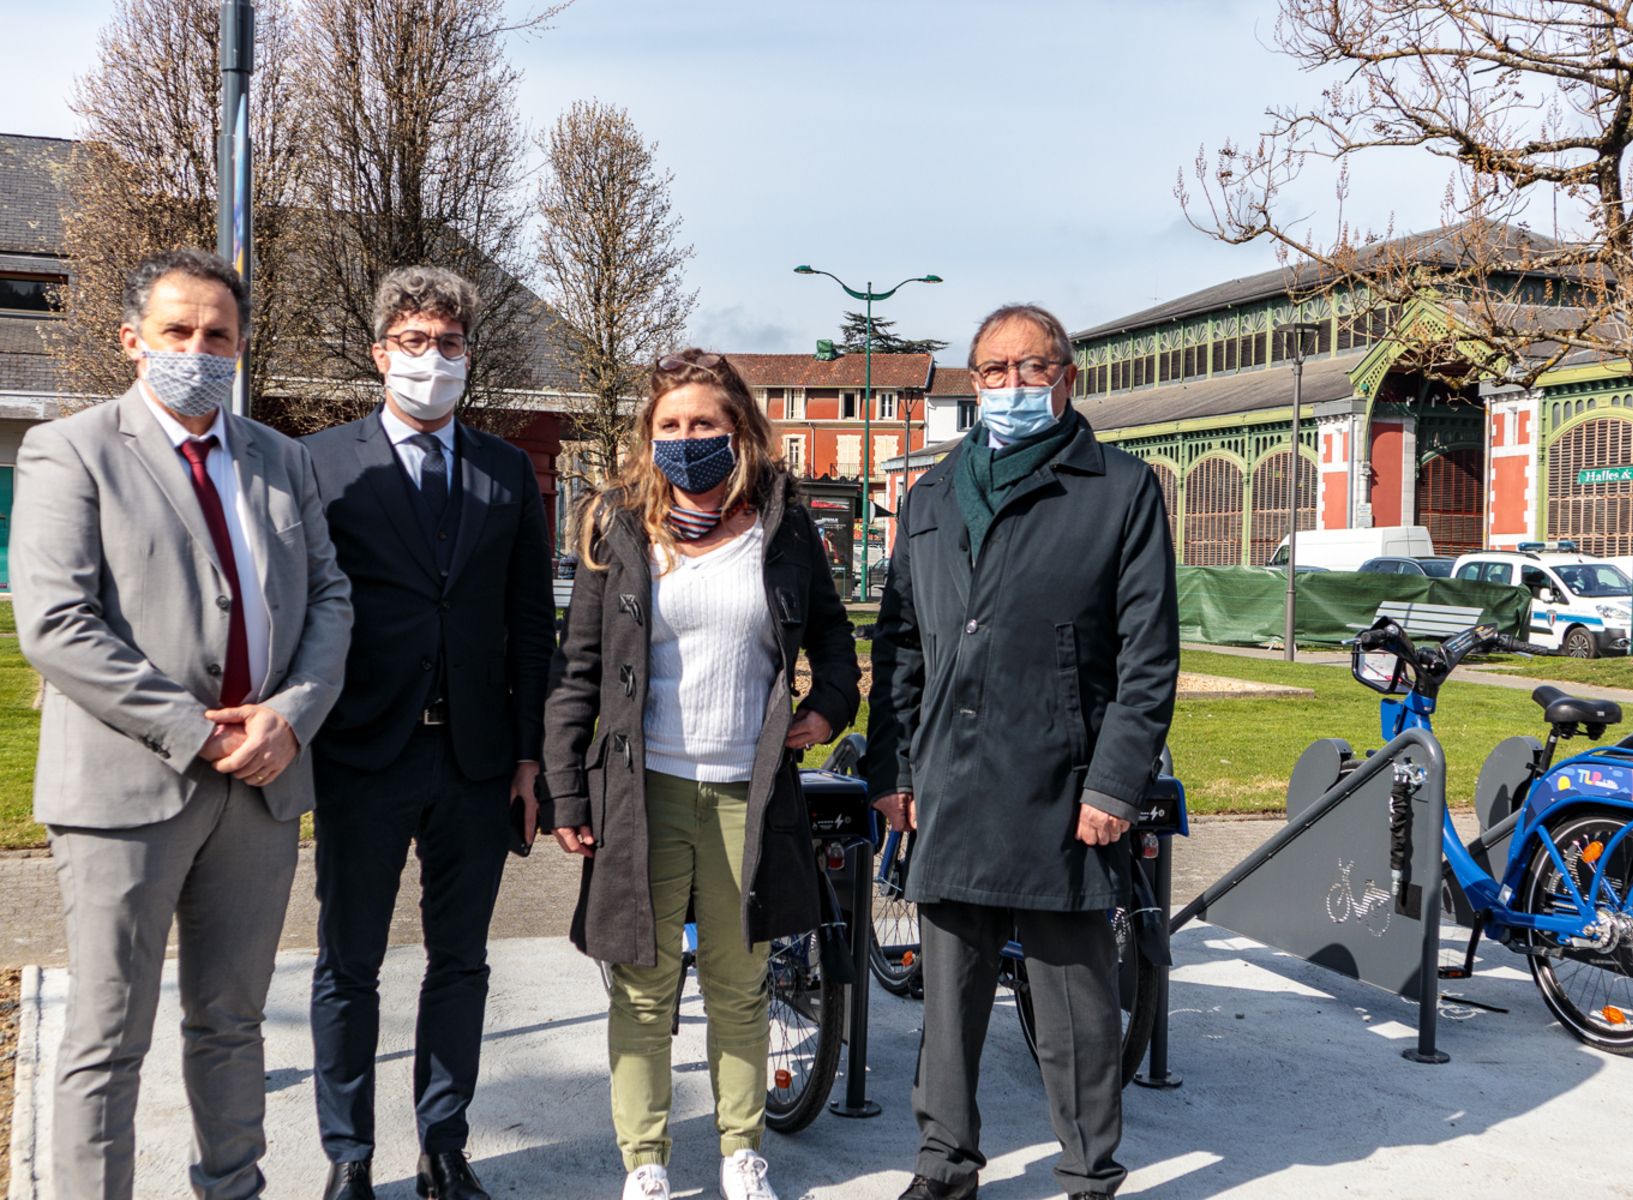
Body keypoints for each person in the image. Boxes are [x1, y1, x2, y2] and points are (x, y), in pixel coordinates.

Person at [10, 248, 354, 1200]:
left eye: (217, 335)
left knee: (233, 1021)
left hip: (262, 786)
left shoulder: (281, 459)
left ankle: (233, 1187)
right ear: (133, 340)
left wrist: (290, 717)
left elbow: (330, 598)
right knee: (107, 1035)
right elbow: (57, 625)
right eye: (178, 331)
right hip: (125, 789)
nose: (197, 350)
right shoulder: (69, 450)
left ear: (239, 347)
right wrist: (199, 731)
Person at [865, 304, 1179, 1200]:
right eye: (994, 371)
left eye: (1031, 367)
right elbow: (901, 645)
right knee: (948, 999)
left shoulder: (1120, 490)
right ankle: (944, 1164)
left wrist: (1114, 784)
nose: (1012, 385)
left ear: (1066, 377)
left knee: (1077, 1004)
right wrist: (893, 767)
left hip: (1062, 787)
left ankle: (1089, 1172)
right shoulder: (932, 494)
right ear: (974, 384)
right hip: (949, 783)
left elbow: (1149, 655)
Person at [541, 349, 859, 1200]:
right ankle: (645, 1162)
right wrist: (566, 791)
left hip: (748, 796)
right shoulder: (618, 528)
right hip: (641, 794)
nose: (687, 439)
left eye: (704, 423)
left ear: (739, 430)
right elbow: (577, 671)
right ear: (650, 436)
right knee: (643, 988)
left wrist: (828, 708)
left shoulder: (783, 529)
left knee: (739, 983)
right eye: (670, 425)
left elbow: (834, 639)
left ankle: (741, 1152)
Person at [301, 266, 555, 1200]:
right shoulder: (322, 463)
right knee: (349, 964)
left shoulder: (504, 470)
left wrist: (529, 756)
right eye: (414, 341)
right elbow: (300, 606)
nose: (432, 358)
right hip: (362, 752)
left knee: (461, 961)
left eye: (448, 343)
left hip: (476, 760)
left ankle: (444, 1144)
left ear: (468, 355)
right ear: (380, 353)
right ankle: (349, 1155)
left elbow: (530, 622)